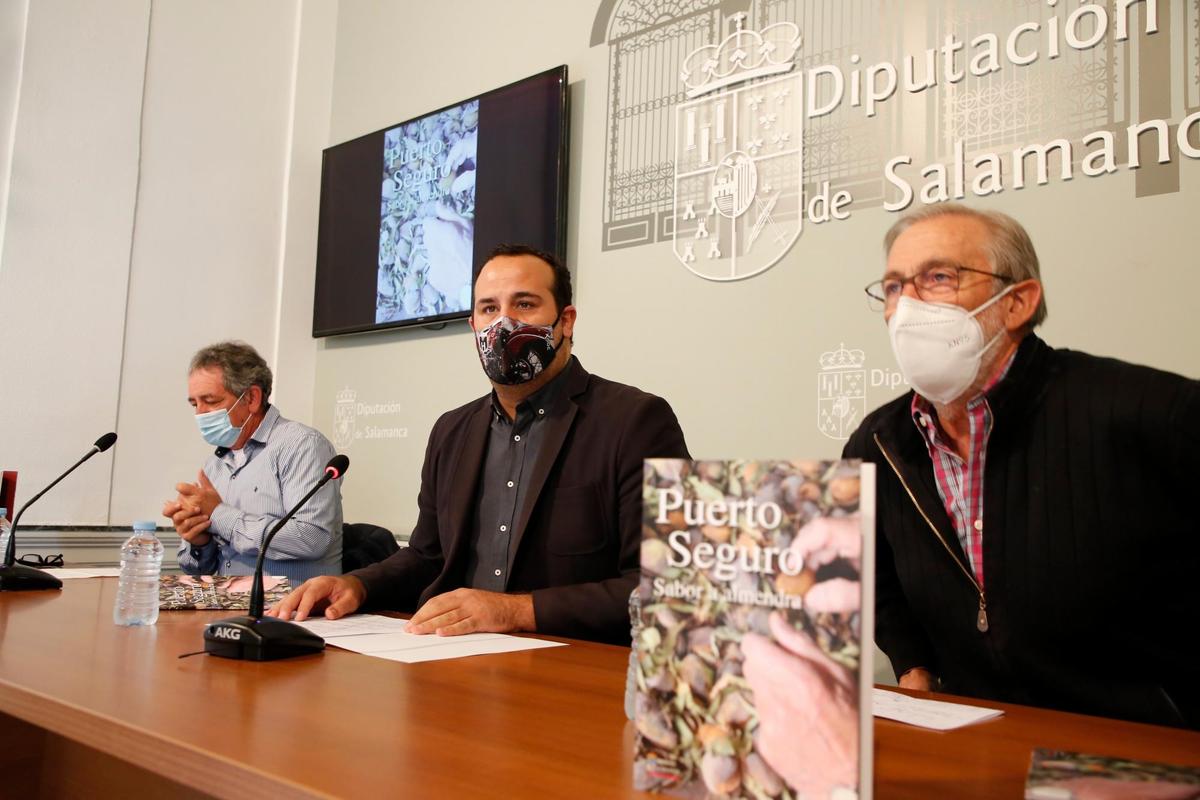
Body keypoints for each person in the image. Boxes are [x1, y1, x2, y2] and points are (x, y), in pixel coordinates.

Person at [844, 203, 1199, 728]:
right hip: (979, 742)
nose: (908, 305)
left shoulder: (1149, 412)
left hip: (1147, 747)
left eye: (938, 277)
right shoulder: (880, 442)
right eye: (894, 287)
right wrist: (912, 664)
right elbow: (874, 573)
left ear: (1017, 303)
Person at [271, 244, 690, 644]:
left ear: (566, 321)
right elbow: (426, 558)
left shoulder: (636, 421)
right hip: (455, 666)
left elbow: (668, 586)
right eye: (489, 308)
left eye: (524, 304)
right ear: (473, 324)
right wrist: (355, 585)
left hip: (575, 672)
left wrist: (515, 611)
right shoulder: (451, 431)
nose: (503, 323)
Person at [164, 341, 343, 583]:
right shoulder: (214, 465)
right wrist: (199, 541)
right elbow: (197, 569)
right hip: (226, 605)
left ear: (251, 398)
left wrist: (218, 514)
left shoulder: (302, 445)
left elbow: (311, 538)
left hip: (292, 611)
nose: (200, 414)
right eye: (195, 403)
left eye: (211, 401)